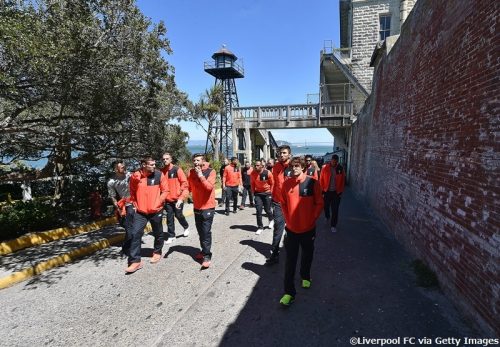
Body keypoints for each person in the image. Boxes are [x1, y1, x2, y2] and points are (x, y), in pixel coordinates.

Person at [279, 156, 324, 306]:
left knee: (307, 254)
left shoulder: (313, 183)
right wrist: (288, 220)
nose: (294, 169)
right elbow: (283, 204)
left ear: (304, 167)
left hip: (308, 229)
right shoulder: (286, 184)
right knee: (290, 262)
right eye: (292, 166)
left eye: (297, 166)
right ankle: (288, 292)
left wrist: (312, 219)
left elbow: (319, 203)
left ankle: (305, 276)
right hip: (291, 230)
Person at [126, 157, 169, 273]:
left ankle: (157, 252)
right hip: (141, 212)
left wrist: (158, 202)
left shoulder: (159, 175)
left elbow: (165, 191)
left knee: (158, 233)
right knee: (135, 234)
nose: (154, 166)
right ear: (144, 165)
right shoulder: (136, 176)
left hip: (156, 210)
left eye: (154, 164)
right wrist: (135, 204)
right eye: (151, 164)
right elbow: (132, 191)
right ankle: (135, 261)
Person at [187, 153, 216, 269]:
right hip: (197, 207)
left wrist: (201, 175)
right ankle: (204, 251)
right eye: (194, 160)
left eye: (198, 160)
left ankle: (207, 256)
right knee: (200, 232)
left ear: (203, 161)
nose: (196, 162)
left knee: (206, 232)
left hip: (208, 207)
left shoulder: (211, 172)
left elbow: (209, 188)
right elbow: (188, 185)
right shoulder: (191, 172)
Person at [266, 145, 293, 265]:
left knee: (293, 229)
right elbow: (275, 183)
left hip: (293, 202)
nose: (282, 155)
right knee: (278, 228)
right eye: (280, 153)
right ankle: (275, 253)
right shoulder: (276, 166)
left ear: (289, 154)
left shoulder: (294, 166)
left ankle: (293, 251)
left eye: (284, 153)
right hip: (278, 202)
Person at [161, 152, 190, 244]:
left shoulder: (177, 170)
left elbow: (184, 184)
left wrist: (181, 197)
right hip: (168, 200)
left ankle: (186, 226)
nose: (165, 160)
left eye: (167, 158)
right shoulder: (162, 171)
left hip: (178, 199)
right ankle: (171, 236)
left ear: (171, 159)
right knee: (169, 218)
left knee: (178, 215)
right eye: (164, 159)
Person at [107, 160, 133, 254]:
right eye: (121, 167)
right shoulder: (111, 182)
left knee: (134, 228)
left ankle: (129, 247)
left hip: (136, 202)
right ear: (115, 169)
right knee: (129, 229)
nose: (123, 167)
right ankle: (126, 248)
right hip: (125, 205)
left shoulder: (130, 175)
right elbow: (112, 197)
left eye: (123, 165)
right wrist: (119, 210)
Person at [319, 154, 346, 233]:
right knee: (326, 206)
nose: (334, 163)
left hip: (336, 193)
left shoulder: (340, 168)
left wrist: (340, 192)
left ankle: (333, 225)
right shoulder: (325, 168)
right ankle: (327, 216)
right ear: (331, 160)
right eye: (333, 161)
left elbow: (343, 181)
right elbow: (321, 179)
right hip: (327, 192)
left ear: (337, 161)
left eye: (335, 162)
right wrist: (322, 190)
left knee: (335, 210)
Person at [250, 161, 274, 235]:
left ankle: (271, 219)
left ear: (261, 166)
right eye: (255, 165)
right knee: (258, 210)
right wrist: (253, 193)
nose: (256, 167)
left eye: (258, 165)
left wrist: (271, 192)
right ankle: (260, 227)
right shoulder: (253, 173)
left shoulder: (268, 173)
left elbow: (272, 183)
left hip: (267, 193)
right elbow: (252, 183)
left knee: (267, 209)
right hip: (258, 193)